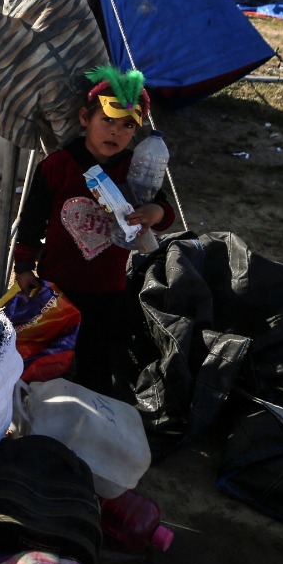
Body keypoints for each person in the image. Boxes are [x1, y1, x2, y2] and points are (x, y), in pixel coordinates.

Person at [12, 66, 175, 398]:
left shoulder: (136, 169)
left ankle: (91, 418)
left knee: (96, 363)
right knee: (46, 359)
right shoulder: (57, 166)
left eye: (127, 125)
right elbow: (31, 221)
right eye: (108, 121)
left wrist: (155, 212)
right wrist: (24, 267)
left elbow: (163, 208)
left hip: (108, 289)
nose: (115, 132)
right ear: (85, 118)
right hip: (57, 284)